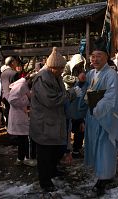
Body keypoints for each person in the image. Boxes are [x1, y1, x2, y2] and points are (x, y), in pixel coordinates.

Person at [29, 47, 79, 192]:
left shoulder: (55, 76)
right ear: (53, 67)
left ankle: (52, 171)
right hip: (43, 123)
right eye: (61, 68)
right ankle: (45, 181)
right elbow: (51, 100)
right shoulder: (42, 78)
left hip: (54, 121)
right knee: (44, 154)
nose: (63, 70)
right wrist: (71, 94)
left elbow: (60, 93)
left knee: (54, 150)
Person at [82, 37, 118, 196]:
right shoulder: (91, 73)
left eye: (99, 55)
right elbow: (85, 90)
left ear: (107, 56)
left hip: (106, 118)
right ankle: (105, 173)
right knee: (97, 147)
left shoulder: (111, 74)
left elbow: (111, 97)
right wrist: (80, 82)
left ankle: (103, 179)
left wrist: (96, 109)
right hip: (93, 118)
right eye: (93, 55)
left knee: (105, 147)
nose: (95, 59)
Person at [8, 77, 36, 167]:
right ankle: (26, 158)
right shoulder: (21, 86)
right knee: (26, 138)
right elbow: (12, 100)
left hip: (21, 115)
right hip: (20, 116)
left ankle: (20, 158)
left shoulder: (22, 85)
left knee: (22, 138)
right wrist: (27, 101)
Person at [62, 54, 87, 158]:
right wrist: (77, 79)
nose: (80, 66)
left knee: (79, 124)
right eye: (78, 64)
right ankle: (66, 149)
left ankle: (77, 148)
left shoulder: (82, 68)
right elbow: (64, 77)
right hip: (68, 96)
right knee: (68, 126)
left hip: (79, 98)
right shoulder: (67, 66)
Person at [0, 56, 19, 126]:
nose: (17, 63)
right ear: (12, 63)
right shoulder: (14, 73)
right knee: (14, 115)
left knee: (7, 114)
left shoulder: (3, 73)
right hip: (13, 97)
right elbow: (17, 88)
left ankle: (9, 130)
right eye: (15, 61)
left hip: (5, 97)